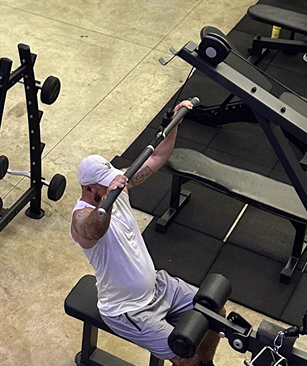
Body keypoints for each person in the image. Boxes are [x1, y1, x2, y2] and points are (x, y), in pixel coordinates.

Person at [70, 101, 222, 366]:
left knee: (214, 312)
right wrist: (107, 199)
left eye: (112, 181)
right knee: (185, 356)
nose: (113, 187)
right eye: (105, 186)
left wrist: (174, 124)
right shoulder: (80, 219)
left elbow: (157, 157)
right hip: (127, 310)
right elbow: (94, 229)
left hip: (159, 286)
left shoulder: (116, 189)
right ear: (89, 189)